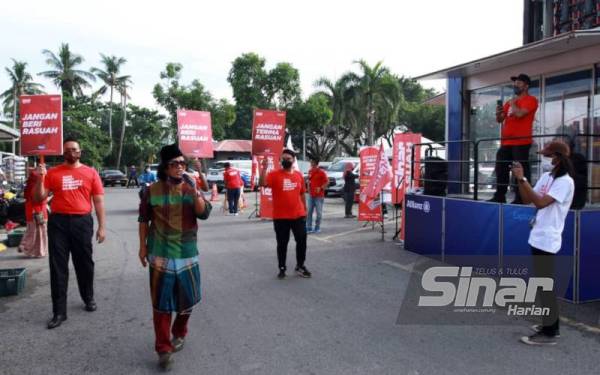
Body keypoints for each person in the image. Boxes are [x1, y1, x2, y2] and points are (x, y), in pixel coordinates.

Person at [138, 144, 206, 370]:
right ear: (165, 168)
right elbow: (143, 220)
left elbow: (203, 213)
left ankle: (180, 331)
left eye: (182, 163)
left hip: (187, 252)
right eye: (174, 164)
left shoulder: (190, 187)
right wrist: (142, 247)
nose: (179, 167)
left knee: (188, 300)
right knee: (161, 304)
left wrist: (196, 189)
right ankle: (163, 349)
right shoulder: (151, 190)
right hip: (160, 254)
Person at [34, 139, 106, 329]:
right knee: (58, 267)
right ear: (62, 153)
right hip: (58, 223)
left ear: (80, 152)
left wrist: (102, 227)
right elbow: (39, 198)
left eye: (74, 149)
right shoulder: (52, 173)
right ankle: (59, 312)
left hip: (82, 222)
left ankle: (88, 297)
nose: (71, 152)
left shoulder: (91, 173)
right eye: (67, 150)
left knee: (84, 263)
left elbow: (98, 201)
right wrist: (39, 178)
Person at [512, 140, 574, 346]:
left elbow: (540, 202)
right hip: (537, 235)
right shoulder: (548, 176)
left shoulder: (565, 182)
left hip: (548, 238)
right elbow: (527, 199)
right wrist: (521, 181)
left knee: (546, 285)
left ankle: (550, 332)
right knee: (542, 284)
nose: (546, 158)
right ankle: (549, 324)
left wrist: (523, 178)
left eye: (549, 155)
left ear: (558, 157)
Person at [259, 149, 311, 279]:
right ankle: (282, 267)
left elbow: (302, 194)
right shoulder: (274, 174)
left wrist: (305, 210)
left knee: (302, 241)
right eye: (283, 158)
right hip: (281, 217)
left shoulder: (299, 175)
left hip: (298, 215)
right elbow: (261, 184)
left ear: (293, 160)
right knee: (282, 243)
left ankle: (300, 265)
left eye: (288, 158)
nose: (285, 160)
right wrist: (263, 168)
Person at [489, 73, 539, 204]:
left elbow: (519, 114)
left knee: (520, 170)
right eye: (515, 83)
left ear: (526, 86)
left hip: (521, 141)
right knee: (501, 168)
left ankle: (521, 197)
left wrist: (513, 104)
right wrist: (499, 112)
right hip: (507, 142)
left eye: (519, 83)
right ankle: (499, 195)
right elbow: (500, 119)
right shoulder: (510, 102)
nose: (515, 85)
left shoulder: (531, 100)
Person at [18, 169, 48, 258]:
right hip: (38, 212)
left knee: (32, 231)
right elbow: (40, 200)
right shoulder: (39, 184)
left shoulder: (30, 185)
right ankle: (35, 250)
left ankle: (28, 248)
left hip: (30, 211)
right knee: (39, 233)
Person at [306, 158, 328, 234]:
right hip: (311, 195)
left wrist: (321, 188)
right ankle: (308, 227)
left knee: (319, 213)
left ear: (316, 163)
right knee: (309, 212)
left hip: (319, 196)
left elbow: (327, 182)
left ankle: (317, 227)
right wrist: (308, 186)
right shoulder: (310, 171)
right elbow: (309, 181)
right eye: (311, 161)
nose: (311, 163)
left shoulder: (321, 172)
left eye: (312, 161)